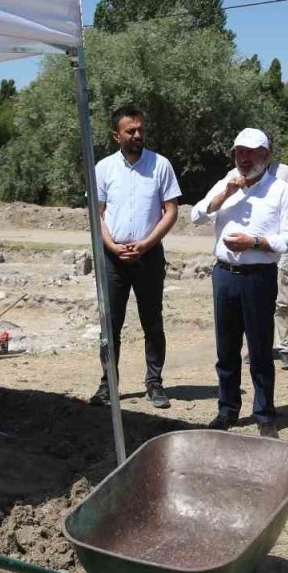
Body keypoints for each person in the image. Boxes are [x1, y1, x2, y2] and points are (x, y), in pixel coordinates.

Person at [191, 128, 288, 438]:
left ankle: (264, 413)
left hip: (258, 277)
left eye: (250, 152)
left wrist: (254, 242)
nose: (243, 158)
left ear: (266, 155)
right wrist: (225, 193)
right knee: (225, 348)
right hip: (224, 274)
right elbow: (196, 215)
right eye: (239, 151)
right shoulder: (227, 182)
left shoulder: (282, 191)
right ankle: (227, 409)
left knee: (260, 349)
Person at [91, 105, 181, 408]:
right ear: (116, 135)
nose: (137, 135)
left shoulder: (161, 165)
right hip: (112, 257)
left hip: (149, 255)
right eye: (131, 130)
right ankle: (108, 385)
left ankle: (154, 384)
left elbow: (171, 211)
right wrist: (112, 246)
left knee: (152, 322)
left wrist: (146, 243)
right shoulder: (103, 168)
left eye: (141, 129)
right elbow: (96, 214)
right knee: (110, 323)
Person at [217, 142, 288, 371]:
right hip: (244, 249)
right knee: (250, 304)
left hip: (276, 246)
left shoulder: (285, 174)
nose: (249, 156)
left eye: (256, 150)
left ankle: (285, 347)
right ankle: (257, 347)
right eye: (245, 151)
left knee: (281, 297)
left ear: (267, 152)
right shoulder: (236, 174)